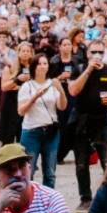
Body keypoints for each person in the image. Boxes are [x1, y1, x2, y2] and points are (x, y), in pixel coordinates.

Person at [68, 44, 107, 209]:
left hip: (102, 120)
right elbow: (73, 90)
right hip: (82, 121)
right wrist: (89, 70)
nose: (97, 55)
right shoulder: (80, 67)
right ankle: (85, 198)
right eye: (93, 52)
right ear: (87, 53)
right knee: (82, 163)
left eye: (100, 52)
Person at [17, 54, 65, 187]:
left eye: (45, 63)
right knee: (28, 171)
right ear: (34, 67)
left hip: (51, 131)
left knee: (50, 172)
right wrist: (34, 97)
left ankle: (49, 202)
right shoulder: (27, 86)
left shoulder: (52, 84)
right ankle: (29, 202)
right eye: (40, 64)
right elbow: (21, 111)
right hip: (31, 131)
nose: (43, 66)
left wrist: (61, 89)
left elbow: (62, 106)